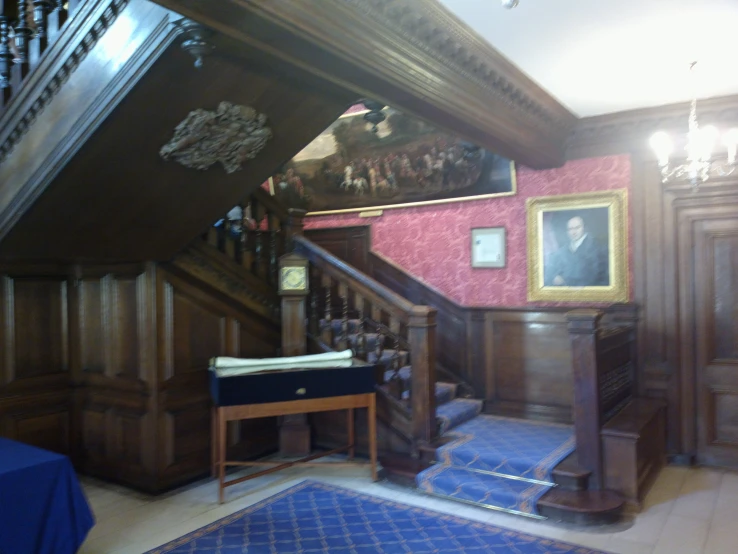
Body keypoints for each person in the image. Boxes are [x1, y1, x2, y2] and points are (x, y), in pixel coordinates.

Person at [545, 216, 609, 287]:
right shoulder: (562, 251)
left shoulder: (597, 248)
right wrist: (554, 278)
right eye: (570, 229)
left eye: (577, 228)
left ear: (584, 228)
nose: (573, 232)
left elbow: (595, 276)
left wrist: (565, 280)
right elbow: (550, 274)